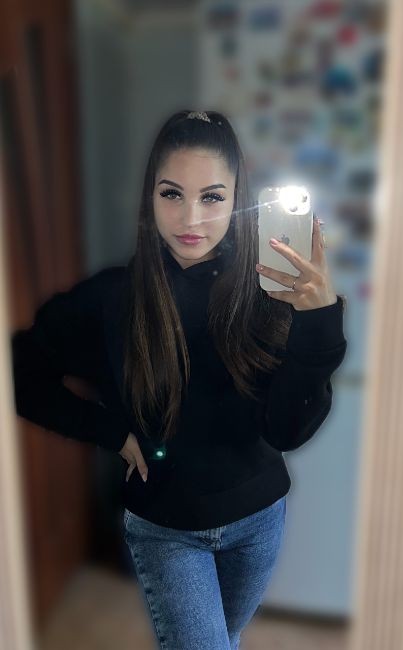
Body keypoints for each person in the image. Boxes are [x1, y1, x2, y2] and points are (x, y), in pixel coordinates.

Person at [11, 110, 347, 650]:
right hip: (165, 529)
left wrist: (319, 322)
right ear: (150, 196)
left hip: (259, 520)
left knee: (225, 639)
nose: (191, 217)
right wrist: (108, 431)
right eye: (172, 194)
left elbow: (288, 430)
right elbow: (20, 370)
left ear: (238, 200)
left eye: (212, 197)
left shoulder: (270, 292)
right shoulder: (111, 299)